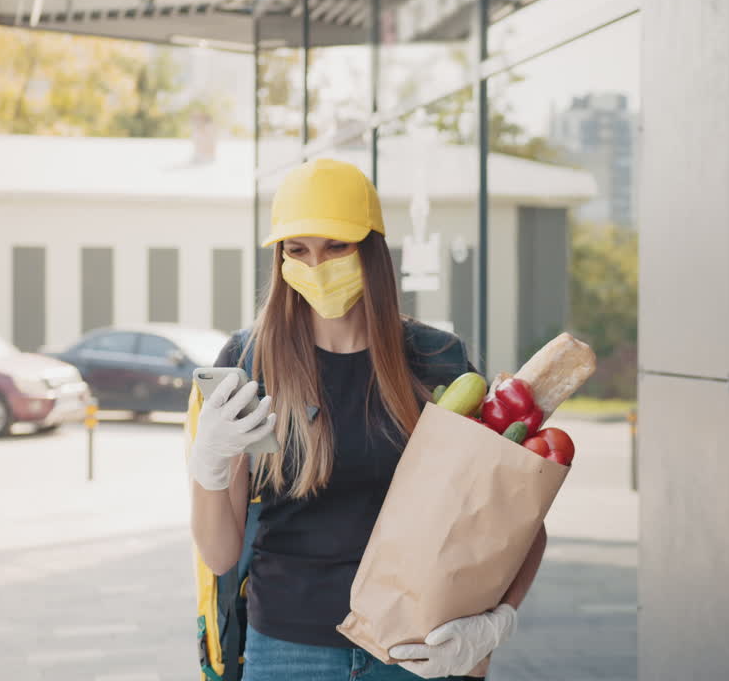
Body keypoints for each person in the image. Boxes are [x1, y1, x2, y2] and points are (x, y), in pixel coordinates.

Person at [187, 158, 547, 681]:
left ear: (373, 248)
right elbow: (220, 555)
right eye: (297, 249)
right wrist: (209, 466)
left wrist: (494, 624)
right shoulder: (249, 364)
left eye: (337, 246)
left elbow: (516, 523)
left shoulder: (438, 361)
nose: (316, 265)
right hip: (288, 650)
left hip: (415, 647)